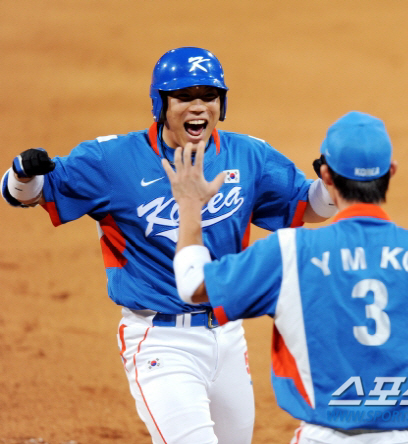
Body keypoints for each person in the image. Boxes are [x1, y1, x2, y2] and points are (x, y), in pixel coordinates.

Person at [1, 47, 337, 444]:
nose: (198, 106)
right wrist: (23, 175)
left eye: (209, 96)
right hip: (160, 342)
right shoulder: (114, 160)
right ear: (161, 104)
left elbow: (307, 206)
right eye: (184, 96)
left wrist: (331, 186)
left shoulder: (249, 157)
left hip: (228, 336)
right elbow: (30, 192)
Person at [167, 112, 408, 444]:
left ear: (326, 177)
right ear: (391, 172)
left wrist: (189, 204)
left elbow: (193, 284)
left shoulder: (289, 253)